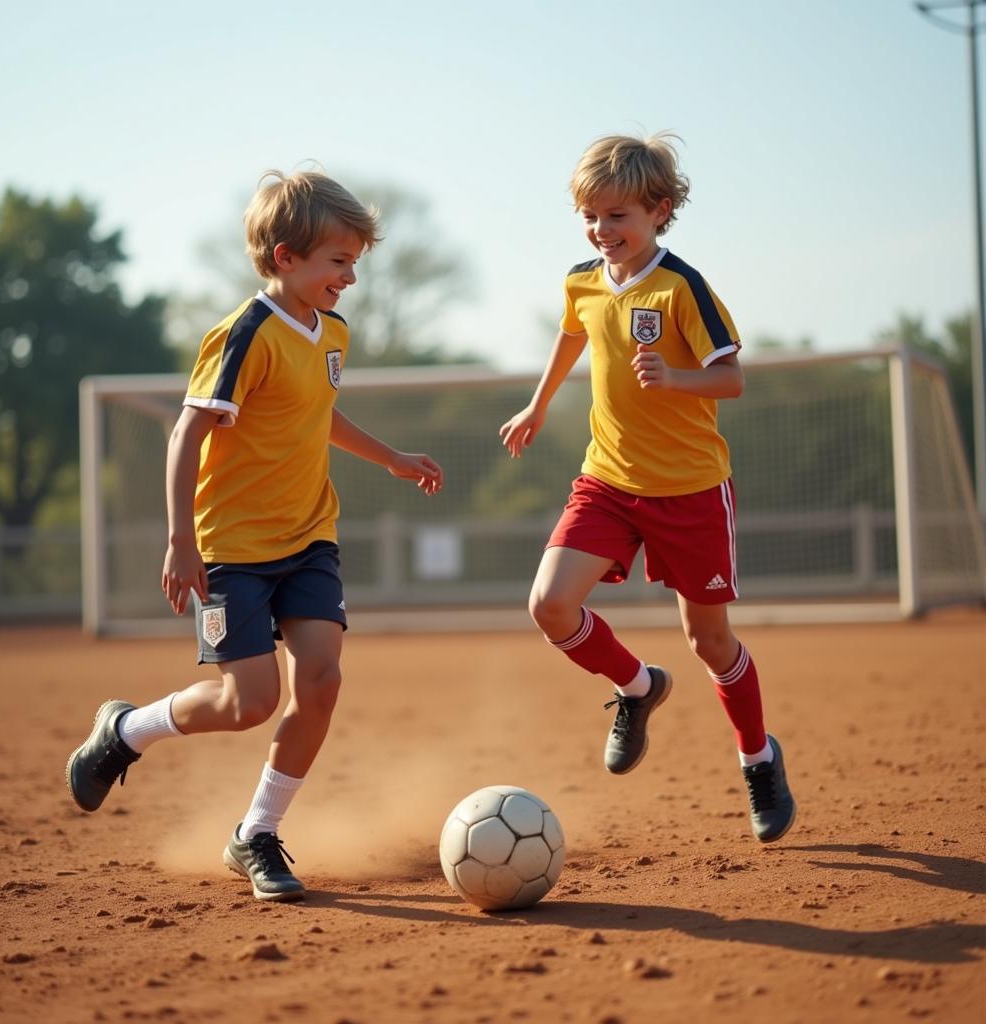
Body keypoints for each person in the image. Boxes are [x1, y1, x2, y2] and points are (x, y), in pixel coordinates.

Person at [66, 169, 444, 900]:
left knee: (323, 679)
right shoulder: (245, 333)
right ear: (285, 258)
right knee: (249, 701)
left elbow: (317, 412)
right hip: (230, 551)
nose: (352, 277)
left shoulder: (331, 331)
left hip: (309, 538)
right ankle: (125, 732)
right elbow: (188, 431)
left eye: (355, 261)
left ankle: (256, 833)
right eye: (339, 262)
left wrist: (391, 457)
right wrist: (181, 540)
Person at [499, 133, 795, 843]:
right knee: (549, 604)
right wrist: (538, 404)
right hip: (606, 479)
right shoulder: (583, 278)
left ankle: (759, 758)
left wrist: (675, 378)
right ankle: (636, 687)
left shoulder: (681, 286)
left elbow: (731, 377)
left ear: (659, 210)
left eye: (618, 216)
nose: (603, 231)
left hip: (691, 490)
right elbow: (573, 332)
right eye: (591, 217)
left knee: (710, 641)